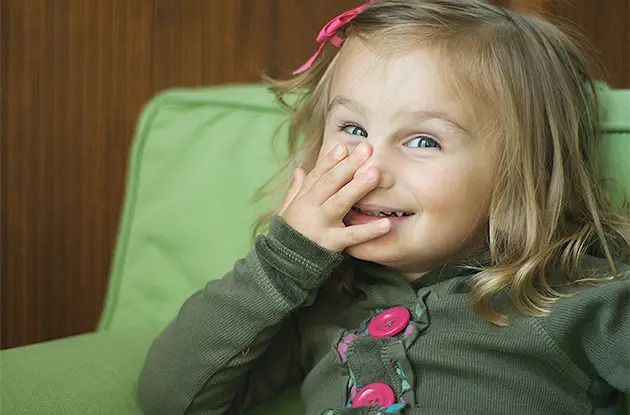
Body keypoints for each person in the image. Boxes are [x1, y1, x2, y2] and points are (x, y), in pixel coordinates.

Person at [137, 1, 630, 414]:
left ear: (522, 169)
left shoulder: (578, 294)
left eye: (422, 139)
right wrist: (284, 261)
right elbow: (171, 398)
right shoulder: (321, 301)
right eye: (352, 130)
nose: (368, 169)